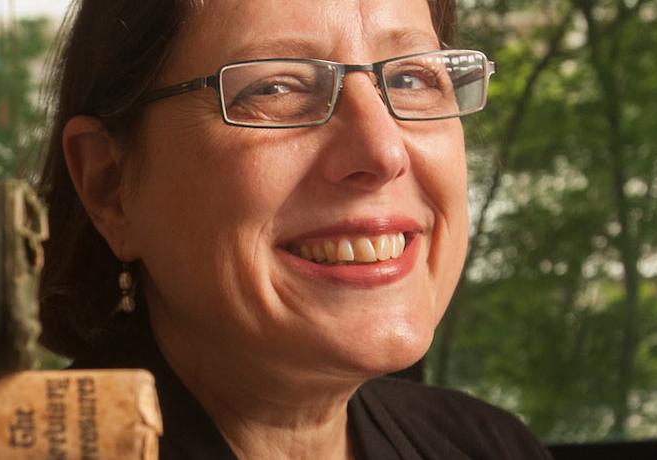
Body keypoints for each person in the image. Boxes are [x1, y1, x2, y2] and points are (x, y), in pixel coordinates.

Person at [35, 0, 552, 458]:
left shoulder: (488, 445)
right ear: (110, 185)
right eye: (276, 86)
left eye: (410, 79)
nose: (383, 151)